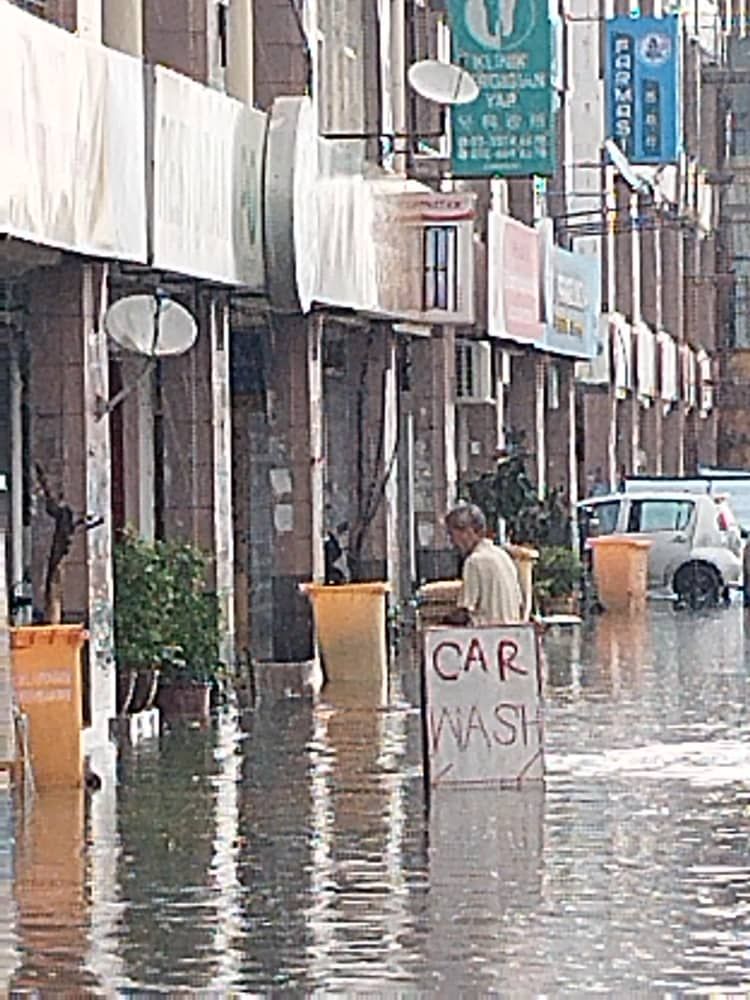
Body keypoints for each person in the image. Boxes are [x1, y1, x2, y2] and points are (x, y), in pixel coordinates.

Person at [443, 503, 523, 626]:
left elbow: (464, 611)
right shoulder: (503, 556)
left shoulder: (474, 562)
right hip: (511, 633)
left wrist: (442, 620)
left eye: (452, 534)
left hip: (486, 636)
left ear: (468, 531)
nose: (452, 542)